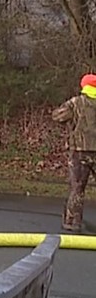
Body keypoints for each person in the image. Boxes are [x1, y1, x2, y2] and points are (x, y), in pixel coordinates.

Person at [52, 73, 96, 233]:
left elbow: (57, 116)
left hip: (79, 151)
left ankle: (72, 223)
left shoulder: (76, 103)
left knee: (77, 188)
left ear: (84, 86)